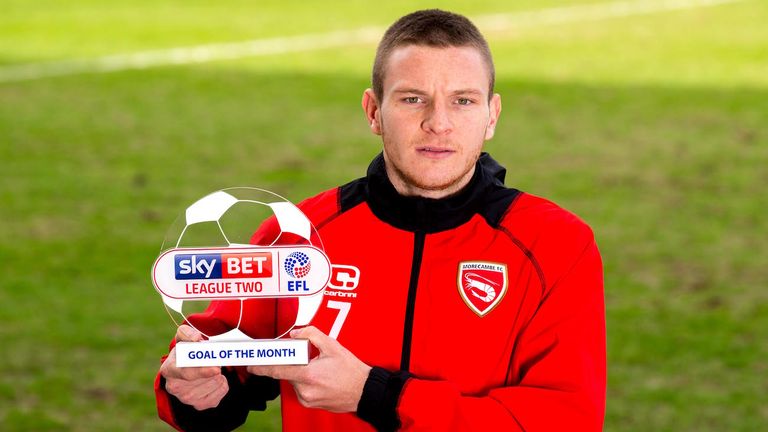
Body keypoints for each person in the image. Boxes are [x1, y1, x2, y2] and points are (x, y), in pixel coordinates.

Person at [155, 9, 606, 431]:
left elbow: (566, 418)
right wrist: (196, 392)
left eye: (463, 101)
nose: (439, 123)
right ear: (374, 112)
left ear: (492, 115)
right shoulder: (299, 235)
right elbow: (221, 368)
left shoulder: (556, 244)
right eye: (413, 99)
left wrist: (378, 396)